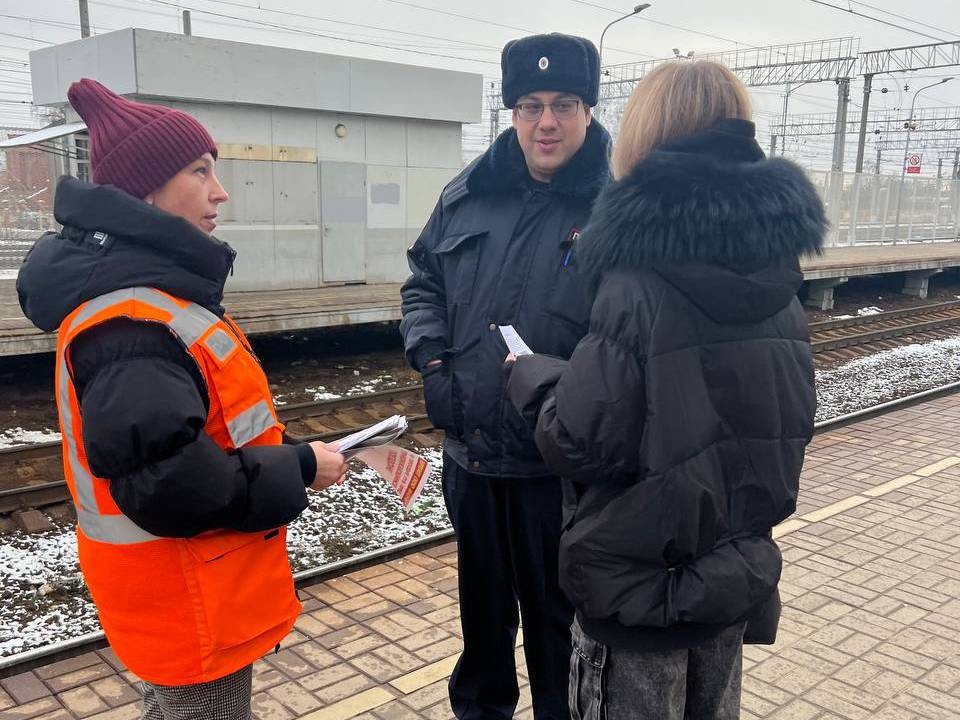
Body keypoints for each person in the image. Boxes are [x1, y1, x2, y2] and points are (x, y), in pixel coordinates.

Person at [17, 79, 347, 720]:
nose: (219, 191)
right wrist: (301, 469)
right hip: (189, 592)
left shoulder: (146, 302)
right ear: (145, 189)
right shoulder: (132, 324)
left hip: (192, 587)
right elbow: (168, 484)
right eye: (199, 171)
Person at [506, 60, 826, 719]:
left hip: (640, 589)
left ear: (646, 135)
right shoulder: (777, 273)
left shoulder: (636, 275)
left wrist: (536, 380)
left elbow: (582, 440)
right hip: (730, 581)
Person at [400, 33, 611, 720]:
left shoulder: (617, 209)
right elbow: (422, 282)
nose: (545, 122)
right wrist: (431, 359)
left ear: (588, 109)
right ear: (512, 112)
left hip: (559, 472)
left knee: (558, 635)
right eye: (529, 105)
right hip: (474, 462)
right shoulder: (467, 194)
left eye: (564, 104)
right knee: (482, 630)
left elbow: (632, 339)